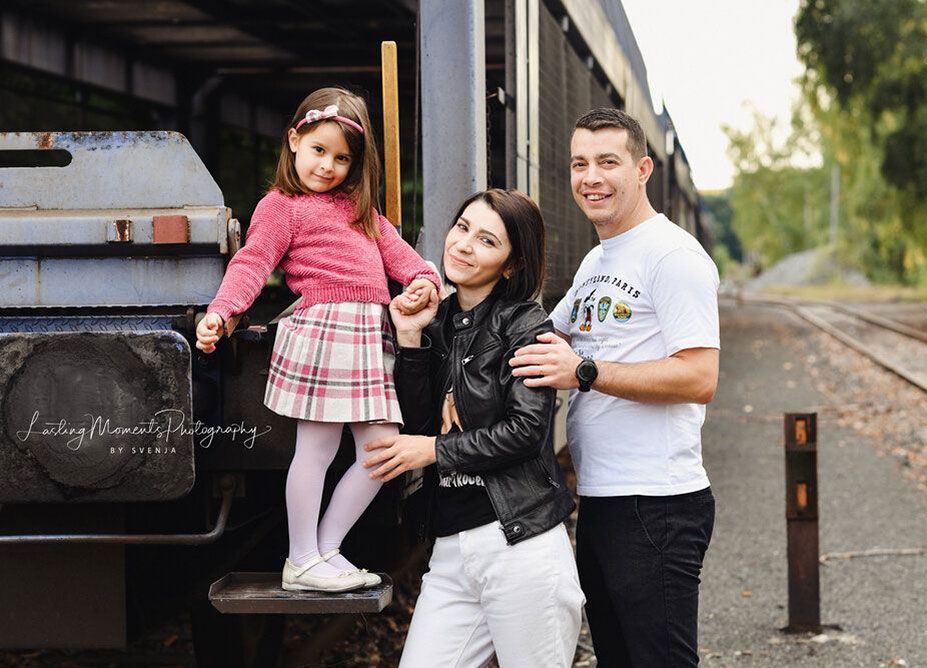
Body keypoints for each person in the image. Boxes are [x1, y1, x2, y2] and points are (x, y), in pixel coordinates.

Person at [195, 87, 440, 593]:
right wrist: (222, 311)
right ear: (293, 141)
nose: (328, 166)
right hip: (325, 330)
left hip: (370, 335)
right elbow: (252, 262)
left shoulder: (361, 210)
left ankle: (324, 549)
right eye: (319, 151)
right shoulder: (280, 205)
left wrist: (424, 280)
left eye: (343, 158)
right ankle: (302, 554)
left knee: (383, 450)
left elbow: (404, 259)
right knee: (318, 447)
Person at [509, 108, 720, 666]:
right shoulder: (597, 261)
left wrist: (584, 372)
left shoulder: (673, 255)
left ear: (643, 168)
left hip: (657, 502)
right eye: (580, 164)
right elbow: (542, 336)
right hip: (603, 499)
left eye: (608, 162)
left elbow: (699, 376)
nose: (591, 177)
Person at [362, 189, 585, 666]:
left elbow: (526, 431)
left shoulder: (527, 326)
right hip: (450, 551)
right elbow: (415, 423)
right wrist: (410, 338)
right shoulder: (437, 321)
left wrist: (433, 451)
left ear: (510, 264)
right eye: (462, 227)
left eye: (486, 240)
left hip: (519, 546)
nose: (463, 244)